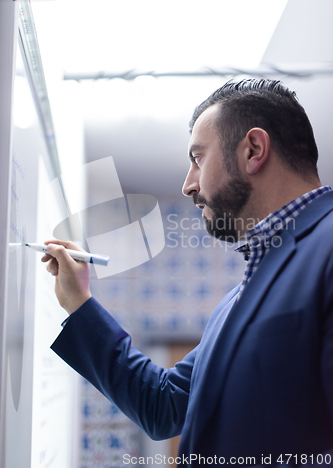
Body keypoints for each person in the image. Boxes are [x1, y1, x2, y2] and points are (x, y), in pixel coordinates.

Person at [44, 79, 333, 467]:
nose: (188, 184)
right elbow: (162, 404)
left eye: (198, 158)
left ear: (254, 150)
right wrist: (80, 303)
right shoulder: (238, 300)